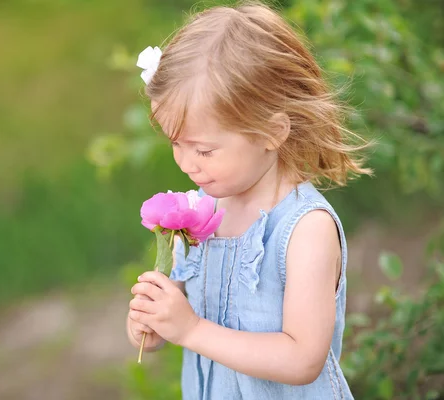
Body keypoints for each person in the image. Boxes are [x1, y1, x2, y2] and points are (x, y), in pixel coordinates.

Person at [125, 2, 372, 399]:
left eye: (203, 151)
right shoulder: (203, 212)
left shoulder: (305, 230)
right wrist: (156, 319)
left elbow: (303, 359)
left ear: (271, 133)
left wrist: (191, 330)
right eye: (175, 144)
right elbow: (188, 304)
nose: (187, 164)